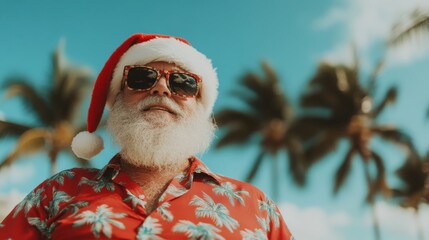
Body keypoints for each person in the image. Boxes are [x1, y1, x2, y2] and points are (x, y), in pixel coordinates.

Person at [0, 33, 295, 239]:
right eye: (141, 78)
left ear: (199, 104)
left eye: (183, 83)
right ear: (117, 99)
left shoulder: (257, 206)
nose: (161, 90)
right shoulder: (59, 190)